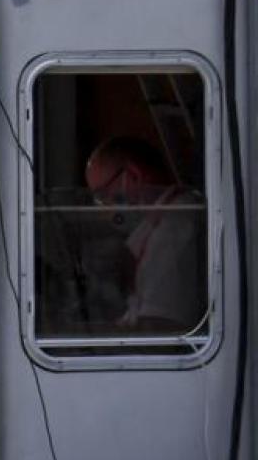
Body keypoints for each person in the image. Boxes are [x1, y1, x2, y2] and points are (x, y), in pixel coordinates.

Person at [84, 136, 206, 333]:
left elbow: (160, 330)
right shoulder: (155, 227)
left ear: (133, 176)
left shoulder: (174, 229)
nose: (103, 211)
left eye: (102, 196)